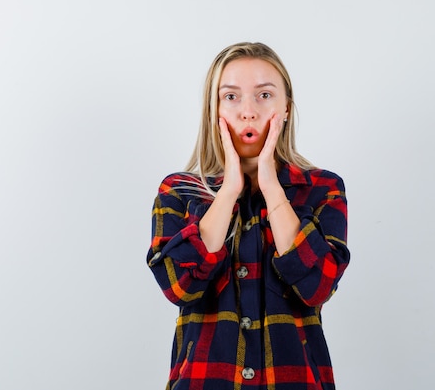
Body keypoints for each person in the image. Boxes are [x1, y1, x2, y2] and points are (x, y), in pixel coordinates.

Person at [146, 42, 350, 390]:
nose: (248, 112)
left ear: (286, 108)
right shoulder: (179, 191)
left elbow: (318, 286)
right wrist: (227, 192)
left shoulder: (322, 188)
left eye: (264, 95)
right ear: (214, 110)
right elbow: (180, 286)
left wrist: (271, 187)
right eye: (231, 97)